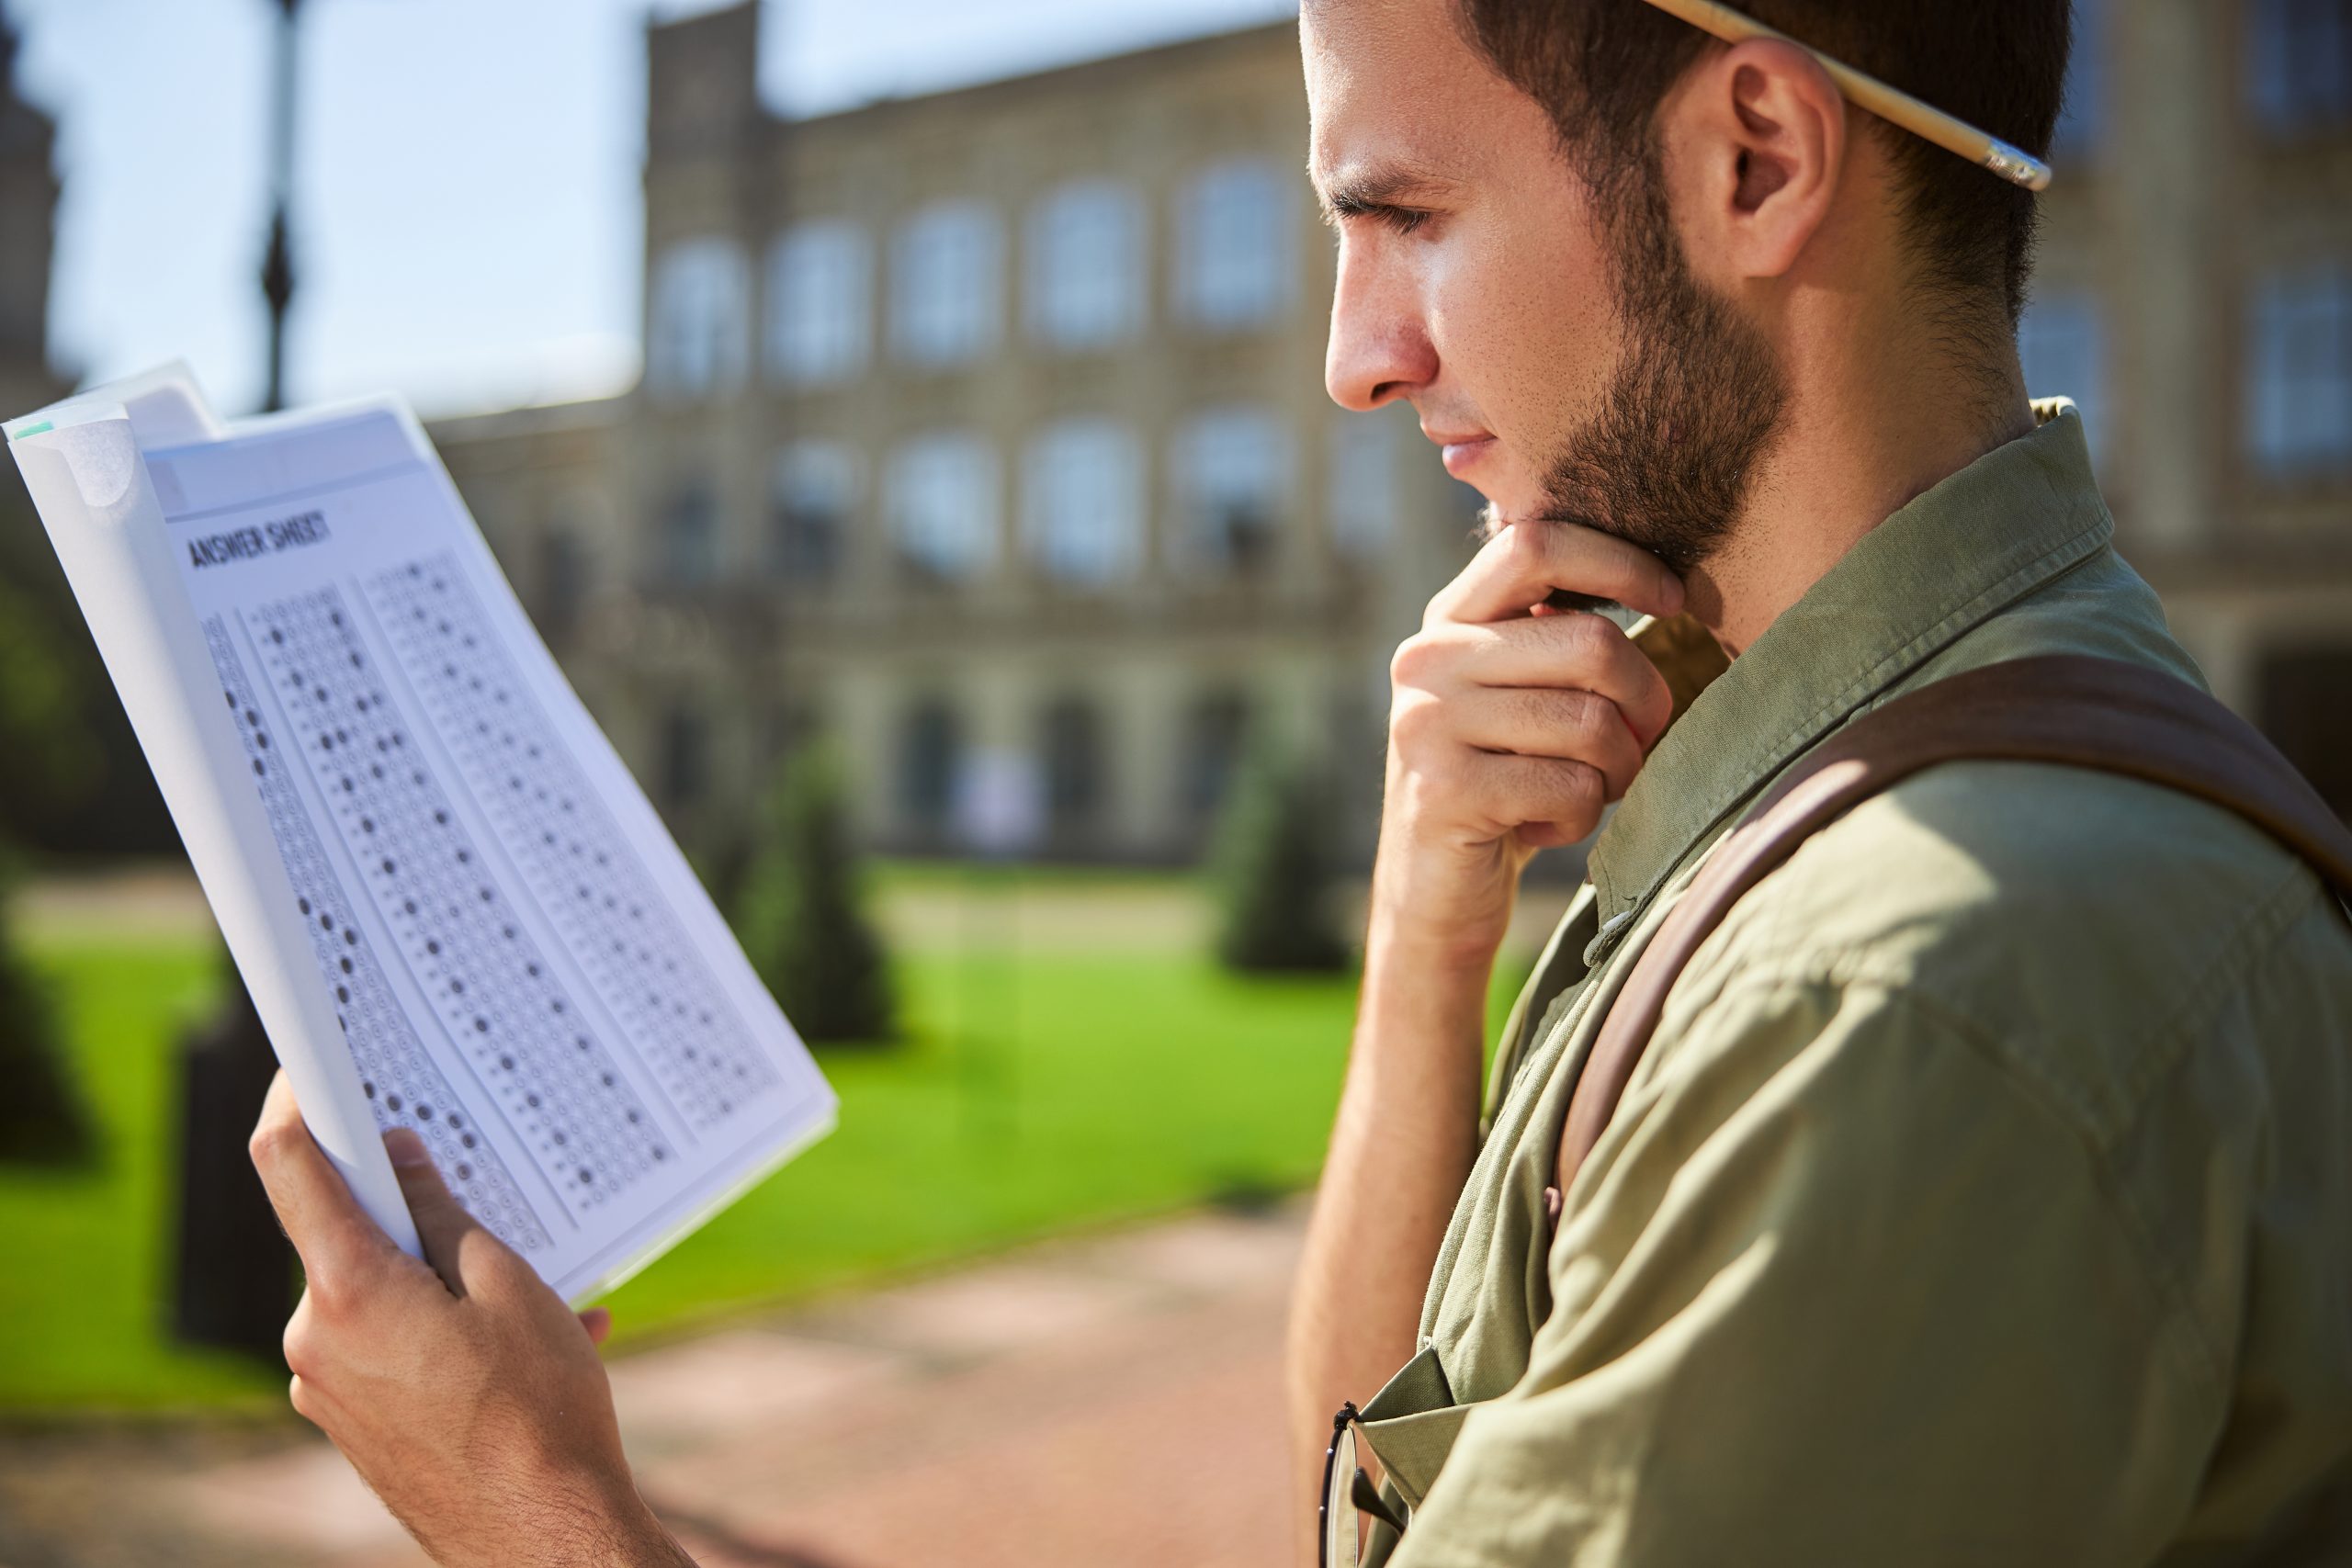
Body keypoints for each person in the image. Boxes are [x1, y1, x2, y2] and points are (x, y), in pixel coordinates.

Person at [248, 1, 2352, 1563]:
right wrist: (1425, 925)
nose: (1348, 357)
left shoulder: (1907, 984)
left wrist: (533, 1513)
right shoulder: (1819, 782)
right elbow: (1360, 1498)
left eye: (1406, 214)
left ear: (1750, 160)